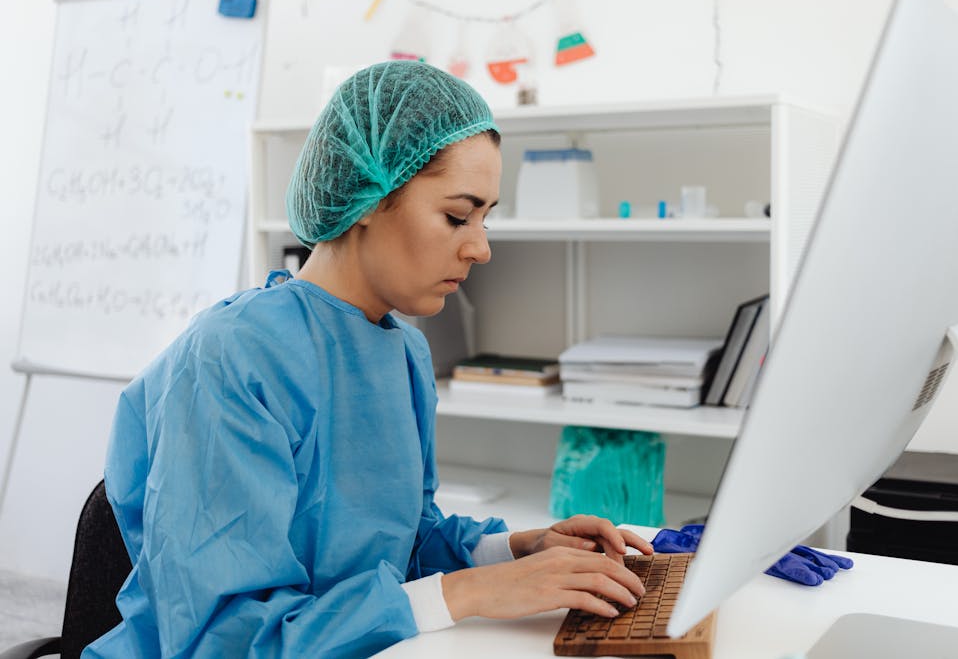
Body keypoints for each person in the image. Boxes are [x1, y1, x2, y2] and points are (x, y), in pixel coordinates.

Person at [84, 60, 653, 658]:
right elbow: (226, 637)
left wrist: (517, 551)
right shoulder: (231, 358)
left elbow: (402, 540)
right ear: (364, 197)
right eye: (458, 216)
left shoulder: (403, 350)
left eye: (487, 218)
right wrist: (471, 592)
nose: (481, 248)